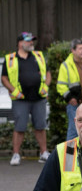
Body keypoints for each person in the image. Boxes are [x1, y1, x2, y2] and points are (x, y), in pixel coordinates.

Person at [2, 32, 51, 166]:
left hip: (38, 98)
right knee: (20, 127)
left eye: (32, 41)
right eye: (28, 41)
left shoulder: (39, 56)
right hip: (20, 99)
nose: (31, 43)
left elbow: (47, 73)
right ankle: (16, 154)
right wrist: (14, 90)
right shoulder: (10, 59)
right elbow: (4, 78)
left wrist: (46, 86)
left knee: (41, 126)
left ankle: (43, 153)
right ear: (20, 43)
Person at [57, 39, 82, 140]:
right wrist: (70, 98)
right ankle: (70, 155)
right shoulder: (66, 65)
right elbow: (60, 85)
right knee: (73, 131)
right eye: (80, 48)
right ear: (73, 50)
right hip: (75, 104)